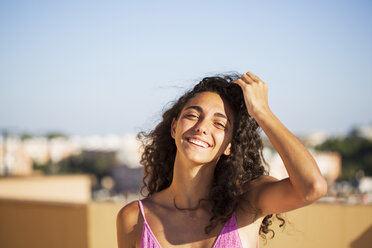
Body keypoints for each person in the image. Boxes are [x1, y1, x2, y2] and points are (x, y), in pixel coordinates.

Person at [116, 72, 327, 248]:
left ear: (229, 146)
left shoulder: (247, 203)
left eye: (219, 124)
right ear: (174, 127)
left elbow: (312, 187)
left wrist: (262, 112)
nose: (202, 127)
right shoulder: (134, 218)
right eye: (192, 115)